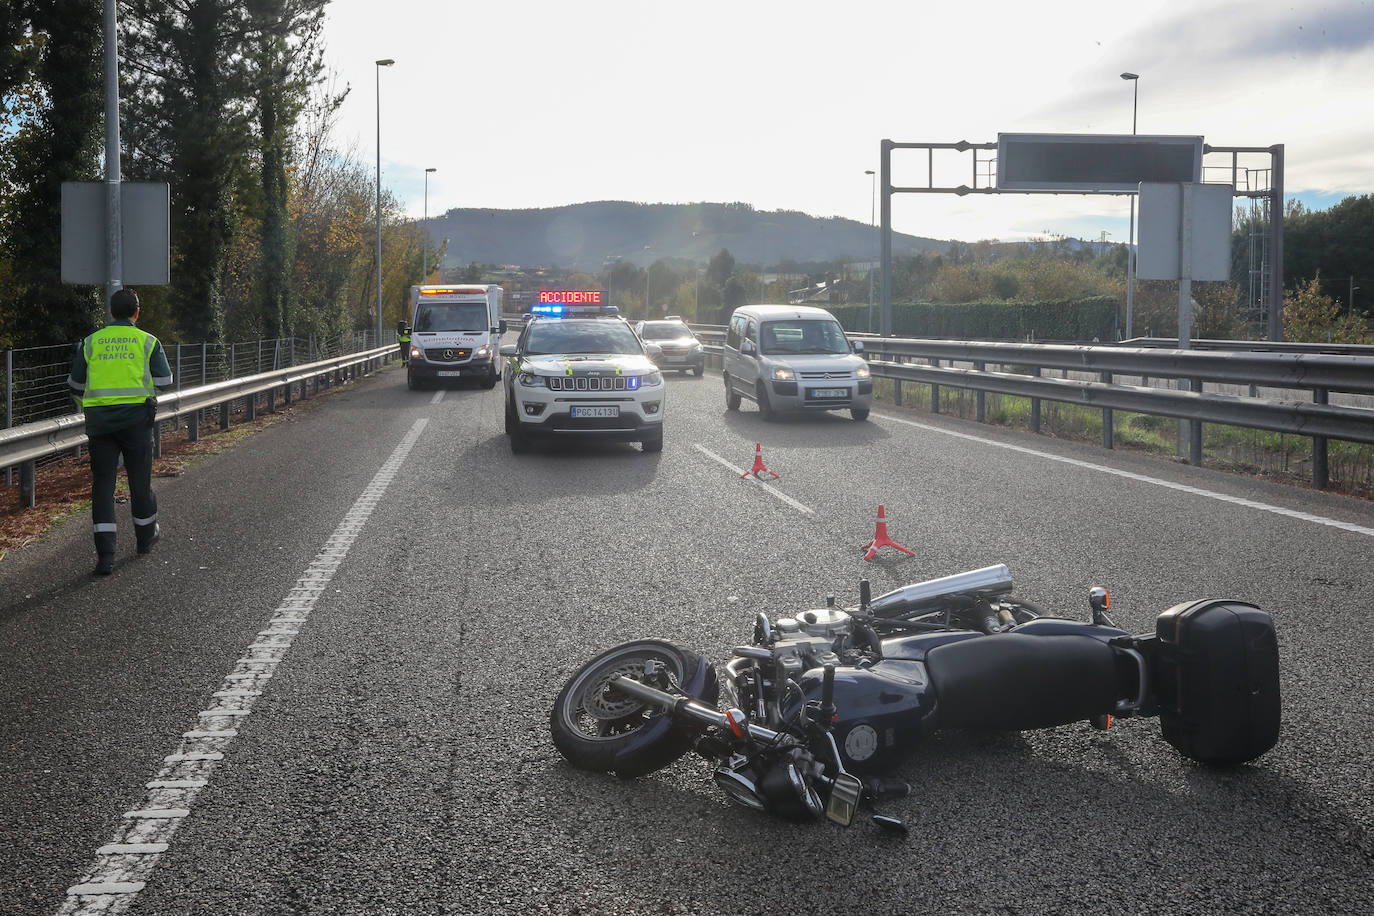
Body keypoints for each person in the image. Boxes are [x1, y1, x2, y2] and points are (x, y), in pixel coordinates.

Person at [67, 288, 173, 575]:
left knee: (103, 485)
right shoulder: (148, 341)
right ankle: (145, 539)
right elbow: (165, 381)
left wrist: (92, 405)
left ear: (111, 312)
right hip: (137, 421)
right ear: (137, 312)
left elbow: (75, 385)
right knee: (140, 482)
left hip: (100, 423)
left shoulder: (91, 342)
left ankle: (106, 557)